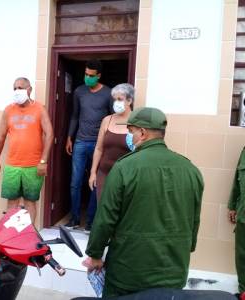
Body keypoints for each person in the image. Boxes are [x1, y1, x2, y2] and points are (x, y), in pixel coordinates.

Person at [85, 107, 204, 297]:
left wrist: (95, 254)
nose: (128, 137)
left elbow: (106, 217)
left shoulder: (125, 167)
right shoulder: (190, 169)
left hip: (129, 271)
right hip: (174, 270)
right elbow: (194, 220)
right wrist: (185, 248)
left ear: (142, 132)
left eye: (130, 132)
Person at [0, 77, 54, 223]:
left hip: (33, 166)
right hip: (12, 165)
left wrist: (43, 161)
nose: (17, 91)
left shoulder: (39, 109)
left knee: (30, 202)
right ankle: (12, 237)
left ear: (29, 90)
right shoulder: (8, 110)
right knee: (12, 202)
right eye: (15, 88)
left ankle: (28, 236)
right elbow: (0, 137)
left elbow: (49, 134)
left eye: (20, 88)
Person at [65, 59, 112, 231]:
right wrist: (69, 136)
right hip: (80, 142)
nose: (87, 78)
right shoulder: (79, 91)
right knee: (75, 182)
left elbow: (112, 119)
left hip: (98, 144)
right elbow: (75, 116)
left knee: (95, 182)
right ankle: (75, 219)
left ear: (98, 76)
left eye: (91, 76)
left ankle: (91, 222)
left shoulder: (108, 93)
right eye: (86, 74)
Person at [89, 83, 135, 200]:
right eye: (115, 100)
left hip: (126, 177)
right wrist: (93, 172)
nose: (116, 103)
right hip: (104, 174)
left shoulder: (136, 123)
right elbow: (99, 148)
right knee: (103, 210)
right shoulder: (107, 120)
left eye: (120, 99)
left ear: (129, 101)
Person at [228, 147, 245, 298]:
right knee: (241, 256)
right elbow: (237, 179)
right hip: (243, 215)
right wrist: (232, 206)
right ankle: (243, 293)